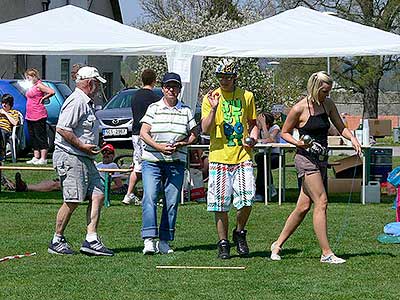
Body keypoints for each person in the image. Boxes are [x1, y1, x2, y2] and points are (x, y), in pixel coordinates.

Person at [270, 71, 361, 264]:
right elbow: (285, 132)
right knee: (322, 201)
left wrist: (352, 137)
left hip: (321, 159)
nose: (327, 95)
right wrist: (297, 143)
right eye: (324, 92)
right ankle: (326, 253)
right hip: (305, 159)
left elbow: (340, 126)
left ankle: (277, 244)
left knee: (303, 207)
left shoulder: (327, 104)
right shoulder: (299, 108)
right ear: (315, 88)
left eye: (328, 92)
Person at [48, 66, 114, 256]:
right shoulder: (77, 101)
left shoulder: (86, 102)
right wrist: (82, 146)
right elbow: (62, 129)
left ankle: (91, 239)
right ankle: (57, 239)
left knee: (98, 194)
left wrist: (94, 142)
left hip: (84, 157)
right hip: (71, 156)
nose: (97, 88)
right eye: (96, 84)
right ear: (89, 83)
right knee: (73, 200)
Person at [201, 59, 258, 259]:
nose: (224, 81)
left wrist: (254, 138)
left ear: (235, 77)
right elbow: (205, 129)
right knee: (220, 203)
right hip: (218, 155)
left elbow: (253, 123)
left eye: (227, 77)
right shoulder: (210, 98)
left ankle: (240, 232)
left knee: (247, 198)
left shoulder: (247, 96)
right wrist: (215, 108)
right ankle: (223, 242)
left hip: (242, 155)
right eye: (221, 77)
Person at [140, 72, 197, 255]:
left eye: (174, 87)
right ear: (163, 88)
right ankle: (149, 239)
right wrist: (159, 147)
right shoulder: (153, 108)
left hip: (176, 162)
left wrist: (182, 143)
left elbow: (194, 134)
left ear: (179, 89)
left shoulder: (186, 110)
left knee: (171, 201)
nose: (171, 90)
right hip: (152, 161)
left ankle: (164, 240)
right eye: (168, 86)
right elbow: (144, 132)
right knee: (150, 196)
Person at [13, 143, 126, 194]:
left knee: (56, 185)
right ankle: (21, 186)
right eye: (104, 152)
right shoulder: (98, 163)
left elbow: (118, 184)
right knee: (55, 182)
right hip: (83, 178)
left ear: (113, 155)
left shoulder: (113, 166)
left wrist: (103, 189)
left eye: (109, 153)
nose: (106, 154)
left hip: (90, 184)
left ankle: (26, 187)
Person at [122, 69, 160, 205]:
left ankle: (129, 194)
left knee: (137, 165)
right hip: (148, 135)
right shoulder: (155, 98)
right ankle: (152, 194)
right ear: (154, 80)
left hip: (135, 134)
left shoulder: (134, 96)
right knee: (152, 163)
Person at [24, 68, 55, 165]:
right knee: (33, 136)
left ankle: (43, 157)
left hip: (39, 114)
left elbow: (51, 91)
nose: (27, 79)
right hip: (30, 114)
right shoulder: (31, 86)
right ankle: (36, 156)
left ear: (33, 76)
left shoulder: (39, 85)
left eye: (28, 77)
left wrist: (44, 98)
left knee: (40, 136)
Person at [254, 112, 281, 201]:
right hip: (264, 157)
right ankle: (270, 186)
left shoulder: (275, 128)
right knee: (260, 159)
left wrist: (264, 126)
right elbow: (255, 139)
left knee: (261, 160)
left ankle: (260, 193)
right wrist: (258, 128)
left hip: (276, 157)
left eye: (260, 121)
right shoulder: (259, 129)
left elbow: (270, 140)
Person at [0, 94, 20, 160]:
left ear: (10, 104)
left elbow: (15, 123)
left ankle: (2, 155)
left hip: (6, 130)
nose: (4, 105)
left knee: (1, 132)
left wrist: (5, 114)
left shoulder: (14, 112)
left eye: (6, 103)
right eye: (2, 103)